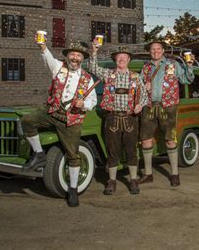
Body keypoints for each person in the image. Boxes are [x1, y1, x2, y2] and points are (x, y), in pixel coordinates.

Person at [20, 38, 97, 207]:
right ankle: (39, 155)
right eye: (72, 54)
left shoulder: (87, 78)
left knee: (73, 155)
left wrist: (83, 103)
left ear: (82, 59)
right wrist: (42, 46)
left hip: (71, 119)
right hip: (52, 112)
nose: (75, 58)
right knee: (27, 120)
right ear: (67, 56)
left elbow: (93, 101)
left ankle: (73, 189)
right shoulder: (57, 67)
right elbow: (46, 56)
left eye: (78, 55)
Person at [89, 43, 148, 195]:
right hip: (112, 117)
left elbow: (144, 96)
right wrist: (94, 52)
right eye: (118, 57)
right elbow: (93, 68)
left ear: (129, 60)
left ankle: (133, 180)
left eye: (124, 57)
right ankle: (112, 181)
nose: (121, 59)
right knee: (112, 150)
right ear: (115, 60)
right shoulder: (109, 75)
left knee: (131, 150)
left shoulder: (136, 77)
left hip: (130, 118)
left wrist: (140, 105)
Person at [138, 40, 195, 187]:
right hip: (149, 106)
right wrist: (144, 87)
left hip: (168, 106)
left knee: (170, 140)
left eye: (158, 49)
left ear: (163, 50)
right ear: (149, 52)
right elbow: (138, 89)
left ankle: (175, 174)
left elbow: (187, 79)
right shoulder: (145, 68)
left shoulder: (173, 65)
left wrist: (189, 65)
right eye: (152, 49)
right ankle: (148, 174)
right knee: (146, 140)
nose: (155, 51)